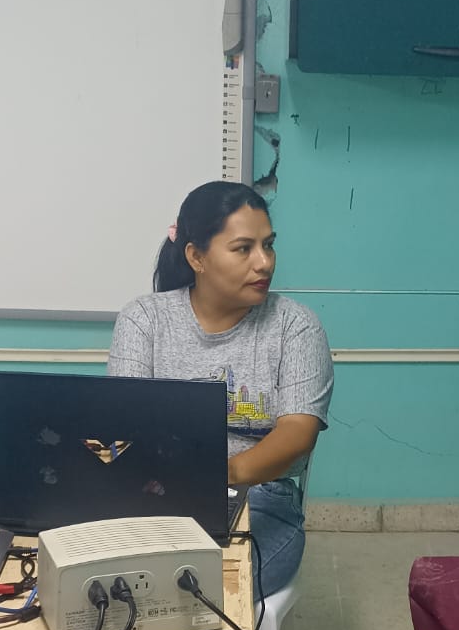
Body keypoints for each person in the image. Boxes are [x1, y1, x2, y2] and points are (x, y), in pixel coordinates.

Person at [108, 181, 333, 600]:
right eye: (244, 248)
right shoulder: (144, 319)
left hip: (260, 497)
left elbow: (297, 433)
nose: (264, 262)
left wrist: (217, 475)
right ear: (197, 257)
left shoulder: (295, 327)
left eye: (269, 245)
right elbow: (124, 423)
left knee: (199, 590)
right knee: (102, 577)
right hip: (155, 491)